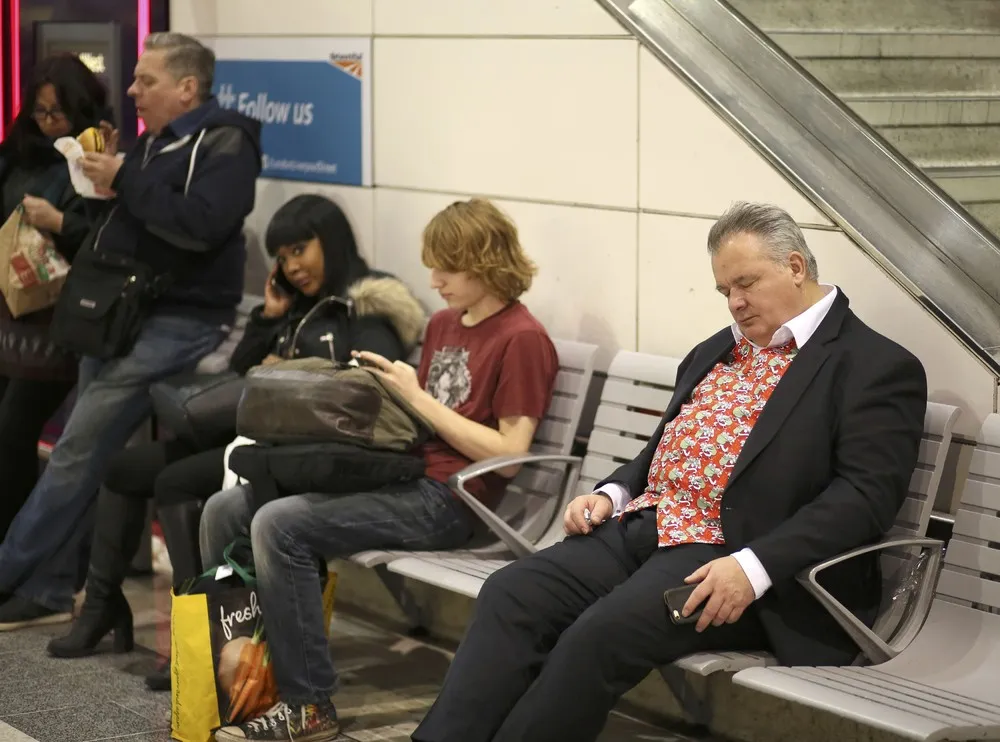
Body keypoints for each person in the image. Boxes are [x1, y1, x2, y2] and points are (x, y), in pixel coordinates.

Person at [410, 201, 929, 742]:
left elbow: (865, 498)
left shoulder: (873, 365)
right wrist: (613, 492)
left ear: (796, 267)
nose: (735, 302)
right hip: (642, 528)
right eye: (724, 290)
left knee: (598, 636)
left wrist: (752, 568)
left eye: (746, 283)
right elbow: (666, 449)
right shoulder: (718, 350)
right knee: (511, 593)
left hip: (735, 560)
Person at [201, 198, 560, 742]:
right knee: (225, 509)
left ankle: (308, 705)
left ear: (484, 262)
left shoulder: (522, 338)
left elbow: (508, 449)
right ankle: (243, 677)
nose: (434, 279)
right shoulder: (444, 323)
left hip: (452, 500)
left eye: (447, 266)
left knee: (280, 524)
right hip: (399, 473)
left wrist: (417, 398)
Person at [47, 195, 426, 683]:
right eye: (283, 257)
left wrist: (286, 376)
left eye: (300, 250)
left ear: (330, 241)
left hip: (300, 452)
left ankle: (202, 630)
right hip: (252, 434)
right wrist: (268, 319)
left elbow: (367, 392)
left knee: (176, 483)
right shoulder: (298, 306)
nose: (292, 266)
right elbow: (236, 372)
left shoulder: (364, 309)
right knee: (122, 470)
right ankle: (102, 606)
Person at [0, 32, 262, 630]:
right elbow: (121, 222)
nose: (131, 89)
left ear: (187, 87)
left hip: (179, 320)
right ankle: (49, 588)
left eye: (146, 80)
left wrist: (126, 177)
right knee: (85, 455)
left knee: (76, 449)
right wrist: (100, 180)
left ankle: (10, 572)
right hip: (119, 314)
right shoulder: (155, 145)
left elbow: (200, 225)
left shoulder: (226, 142)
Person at [0, 54, 110, 540]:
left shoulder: (94, 155)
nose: (47, 124)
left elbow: (106, 233)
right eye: (40, 112)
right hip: (9, 306)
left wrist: (58, 222)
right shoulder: (17, 152)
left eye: (57, 114)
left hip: (59, 318)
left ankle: (16, 552)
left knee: (15, 427)